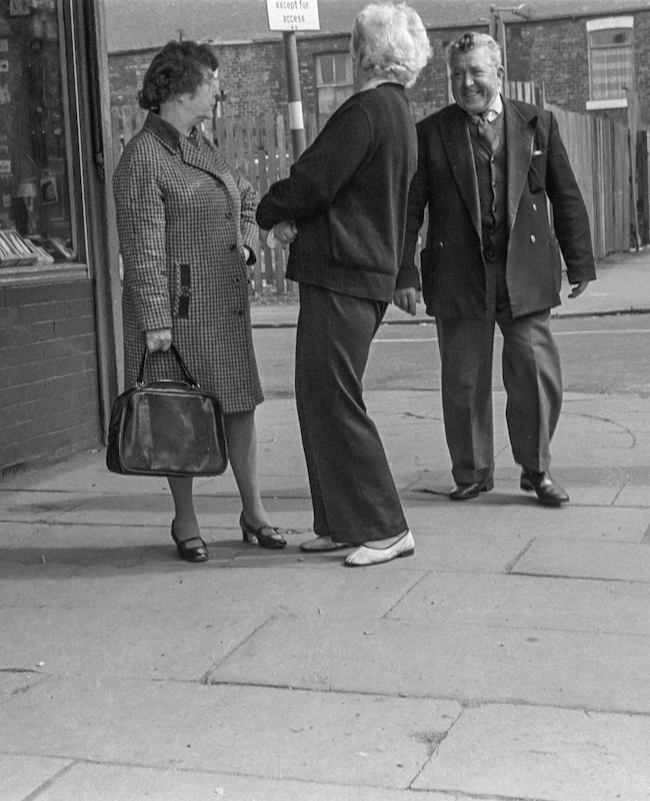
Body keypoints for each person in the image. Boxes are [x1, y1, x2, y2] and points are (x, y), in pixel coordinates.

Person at [256, 3, 431, 567]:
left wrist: (272, 211)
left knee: (334, 399)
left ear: (363, 52)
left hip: (344, 275)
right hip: (363, 272)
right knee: (318, 398)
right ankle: (339, 522)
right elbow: (355, 194)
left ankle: (385, 526)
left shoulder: (363, 111)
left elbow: (315, 181)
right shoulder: (398, 112)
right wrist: (303, 219)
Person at [395, 32, 594, 507]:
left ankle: (536, 469)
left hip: (524, 269)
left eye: (476, 73)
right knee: (463, 379)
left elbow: (564, 195)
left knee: (536, 371)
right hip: (458, 271)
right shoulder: (432, 132)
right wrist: (404, 272)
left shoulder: (537, 124)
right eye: (457, 75)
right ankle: (472, 471)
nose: (466, 84)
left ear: (499, 75)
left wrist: (579, 260)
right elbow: (410, 208)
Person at [113, 40, 289, 563]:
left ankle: (252, 510)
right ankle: (185, 520)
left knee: (239, 407)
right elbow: (141, 246)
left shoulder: (200, 144)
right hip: (178, 313)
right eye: (212, 80)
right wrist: (154, 321)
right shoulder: (144, 157)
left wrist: (248, 249)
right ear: (182, 88)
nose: (219, 90)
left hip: (223, 307)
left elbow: (246, 199)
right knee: (177, 416)